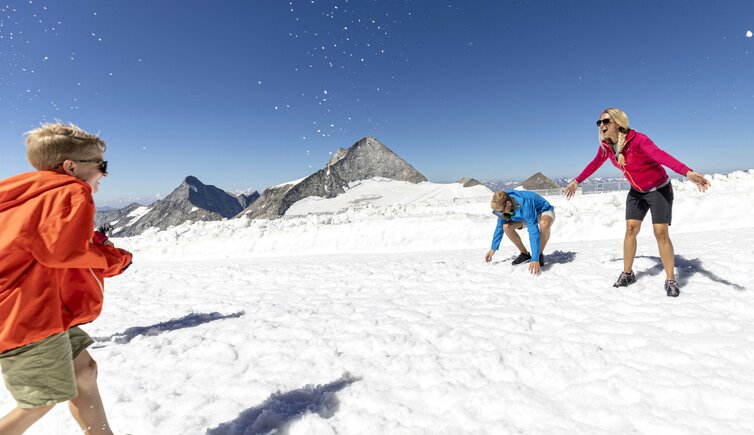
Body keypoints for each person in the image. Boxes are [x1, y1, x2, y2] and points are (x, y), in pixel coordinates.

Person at [0, 122, 133, 434]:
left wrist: (88, 246)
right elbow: (60, 253)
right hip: (26, 316)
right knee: (42, 400)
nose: (105, 173)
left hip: (37, 306)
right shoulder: (73, 191)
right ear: (71, 166)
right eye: (101, 164)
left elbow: (38, 244)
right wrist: (111, 260)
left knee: (83, 371)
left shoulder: (25, 192)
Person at [563, 108, 710, 297]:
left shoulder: (639, 140)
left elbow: (660, 155)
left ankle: (671, 279)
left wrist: (687, 172)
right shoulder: (607, 146)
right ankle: (627, 273)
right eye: (599, 123)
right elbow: (594, 164)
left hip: (659, 189)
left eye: (606, 121)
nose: (602, 126)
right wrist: (577, 181)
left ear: (617, 123)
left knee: (660, 232)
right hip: (636, 192)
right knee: (631, 229)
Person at [485, 190, 555, 276]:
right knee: (506, 226)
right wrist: (493, 248)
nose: (501, 213)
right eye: (499, 212)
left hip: (543, 211)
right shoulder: (502, 207)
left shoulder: (525, 203)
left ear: (508, 203)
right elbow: (499, 227)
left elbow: (533, 231)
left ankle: (539, 255)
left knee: (544, 224)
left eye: (502, 211)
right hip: (525, 216)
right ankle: (525, 254)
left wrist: (535, 259)